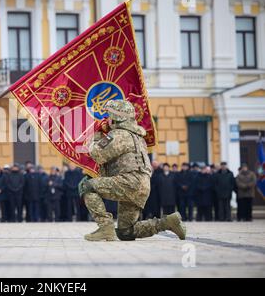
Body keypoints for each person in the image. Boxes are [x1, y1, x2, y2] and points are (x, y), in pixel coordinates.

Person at [78, 100, 186, 241]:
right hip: (141, 185)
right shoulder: (138, 136)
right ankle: (166, 223)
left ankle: (105, 227)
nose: (107, 120)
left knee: (86, 185)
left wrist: (96, 136)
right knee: (126, 232)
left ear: (116, 118)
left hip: (129, 182)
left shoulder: (119, 134)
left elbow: (97, 153)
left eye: (109, 116)